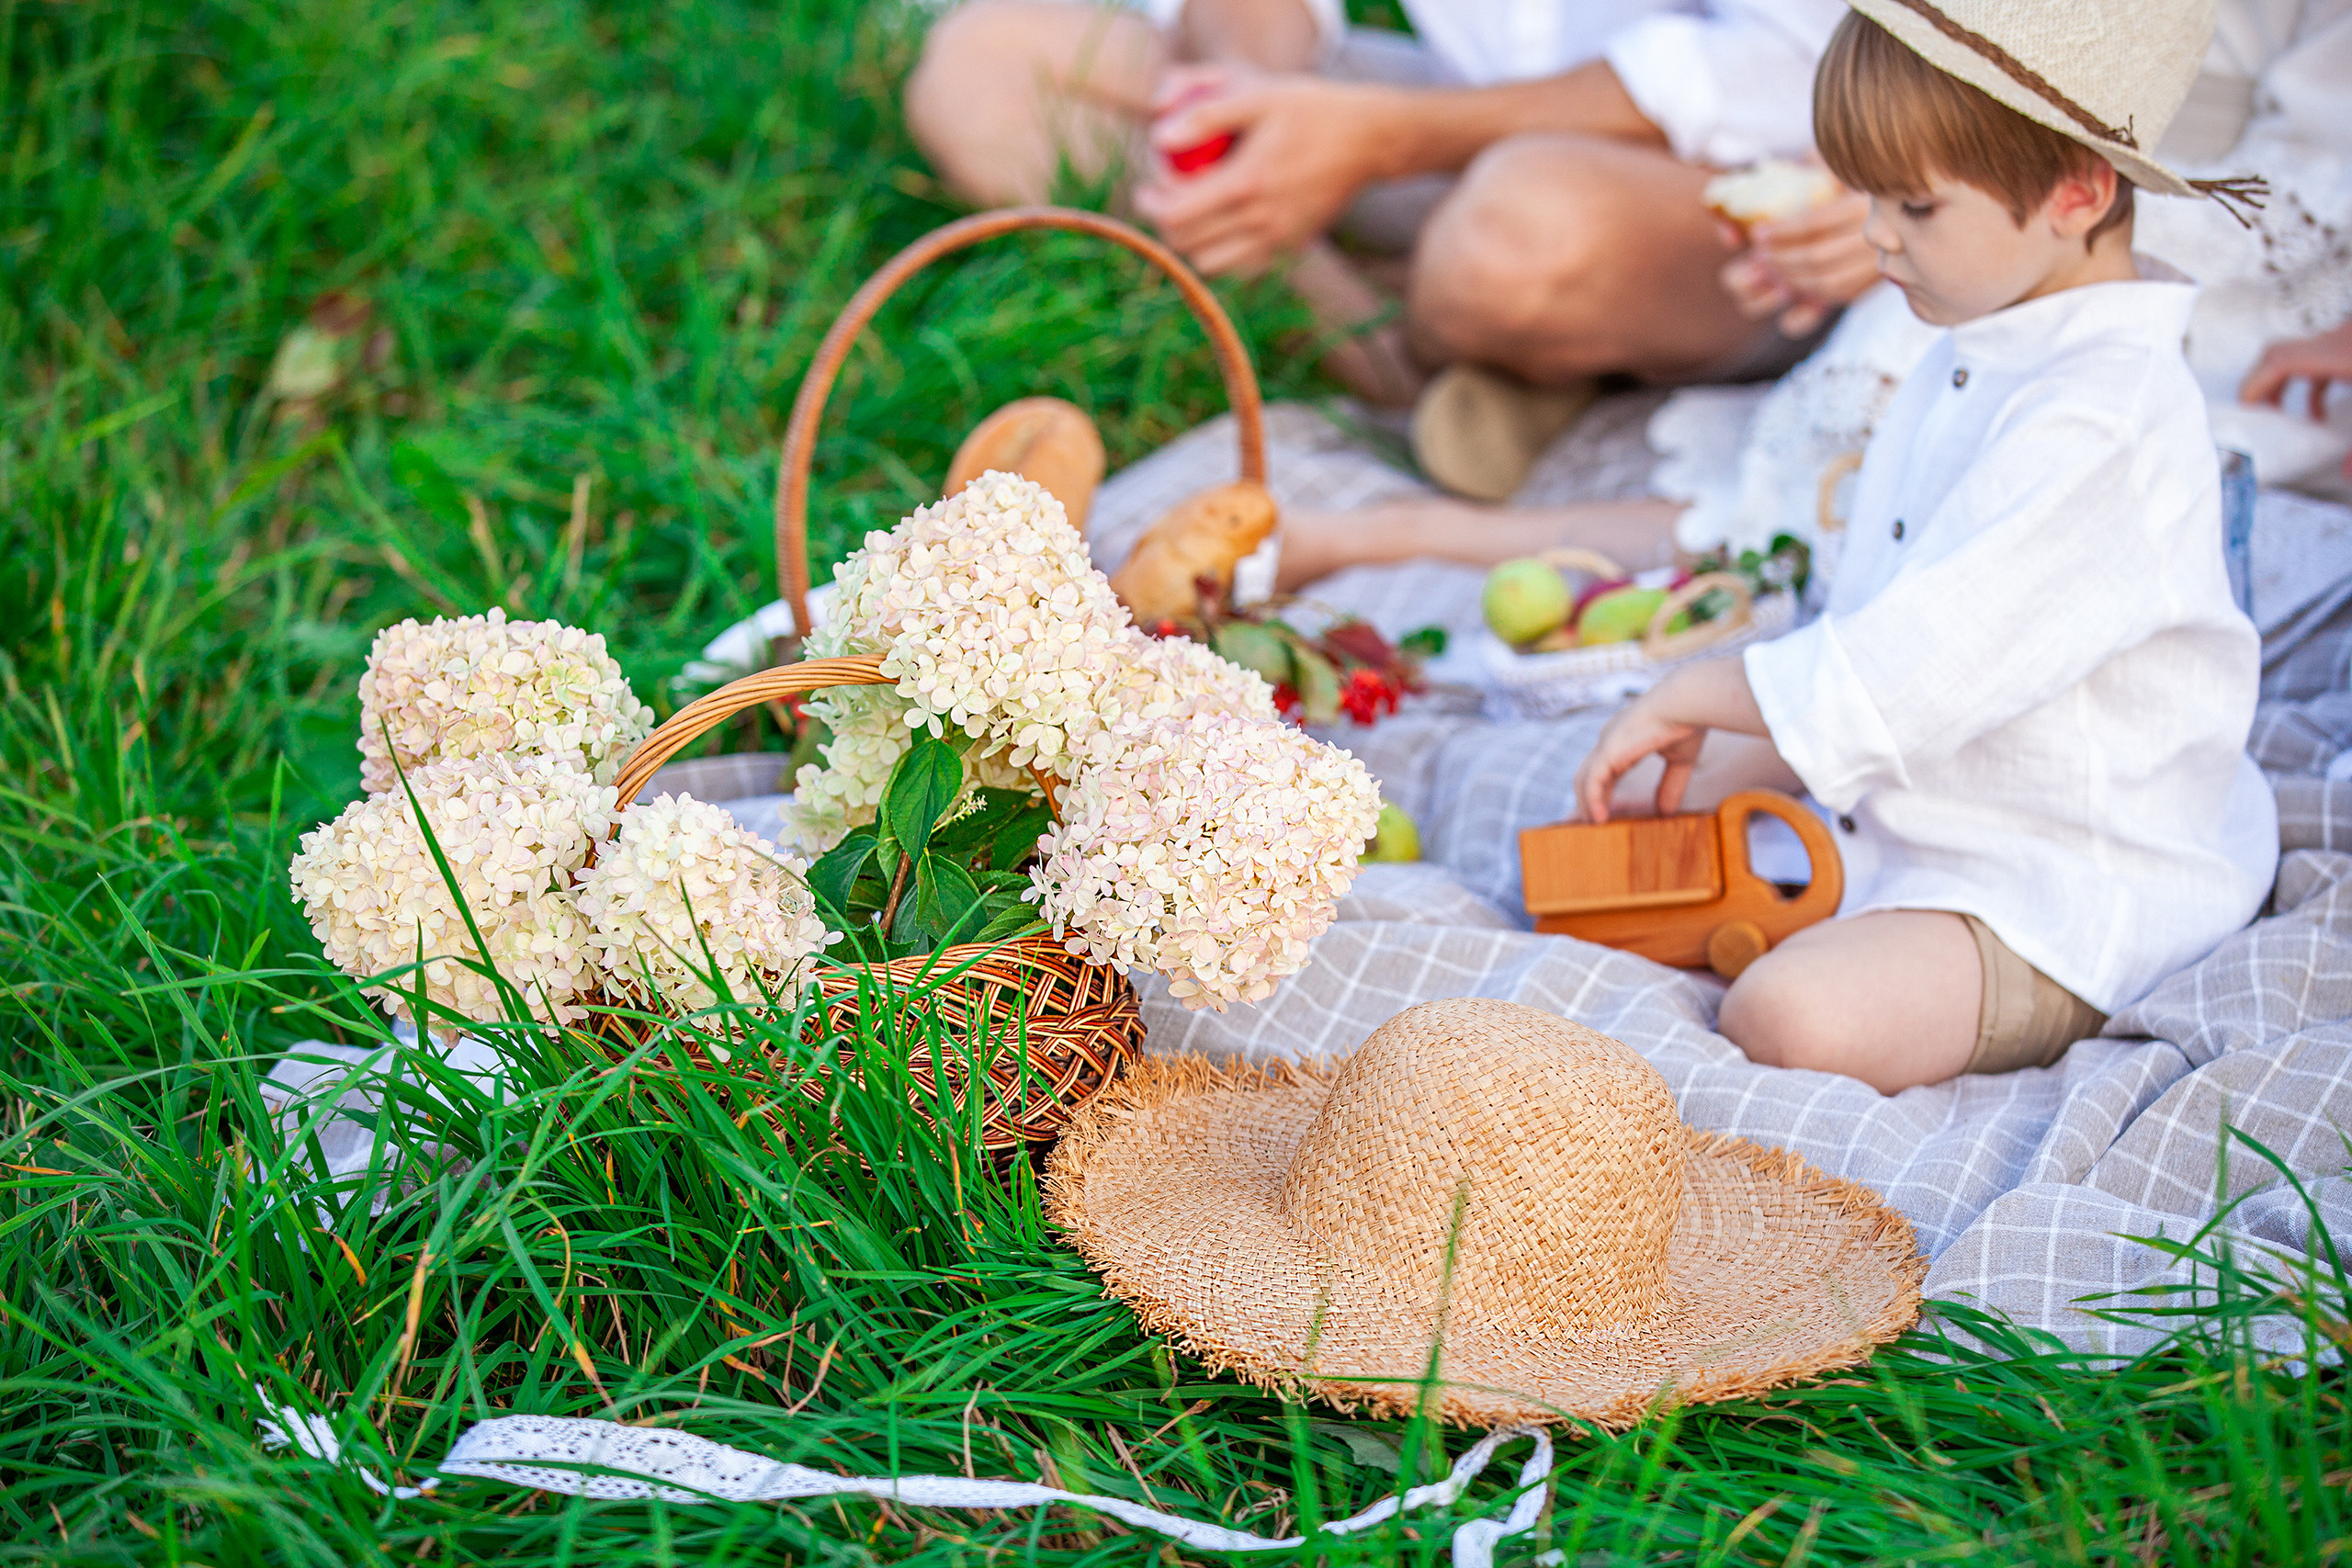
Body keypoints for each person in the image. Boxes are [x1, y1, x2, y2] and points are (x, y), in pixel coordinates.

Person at [1568, 0, 2279, 1096]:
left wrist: (1705, 688)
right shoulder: (1980, 341)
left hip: (2058, 874)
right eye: (1865, 196)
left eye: (1913, 204)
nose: (1875, 236)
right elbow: (1888, 604)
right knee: (1659, 837)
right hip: (1930, 785)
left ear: (2076, 192)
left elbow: (1925, 661)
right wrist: (1753, 738)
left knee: (1788, 1013)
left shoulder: (2100, 420)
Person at [903, 0, 1862, 497]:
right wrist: (1249, 100)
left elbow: (1790, 67)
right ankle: (1408, 364)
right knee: (988, 66)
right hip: (1451, 125)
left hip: (1742, 191)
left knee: (1521, 229)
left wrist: (1391, 134)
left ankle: (1407, 324)